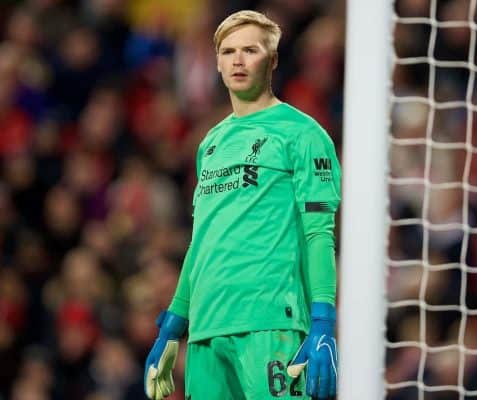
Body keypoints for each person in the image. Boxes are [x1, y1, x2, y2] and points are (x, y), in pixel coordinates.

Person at [143, 10, 341, 400]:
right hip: (205, 330)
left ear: (272, 59)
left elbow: (319, 233)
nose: (237, 60)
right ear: (216, 63)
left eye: (249, 50)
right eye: (228, 51)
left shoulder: (304, 134)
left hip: (270, 323)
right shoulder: (210, 144)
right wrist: (172, 325)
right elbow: (201, 241)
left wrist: (323, 322)